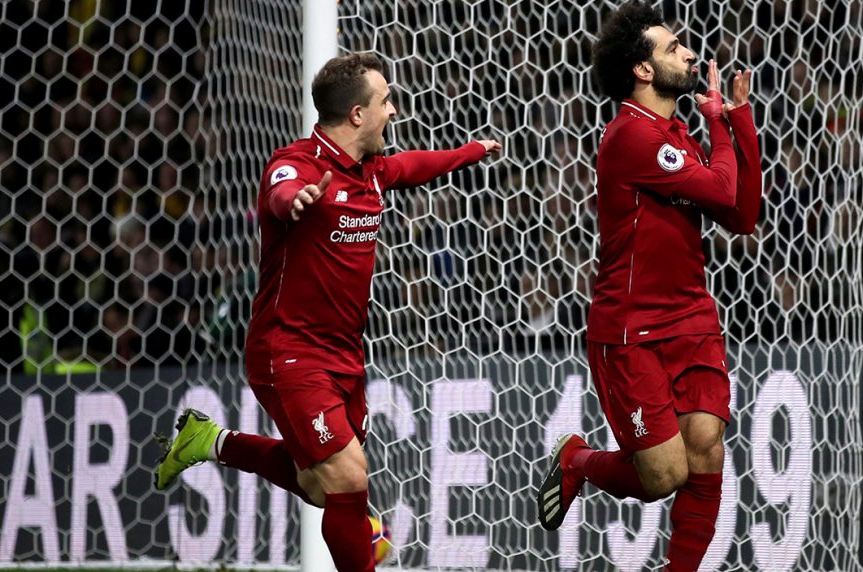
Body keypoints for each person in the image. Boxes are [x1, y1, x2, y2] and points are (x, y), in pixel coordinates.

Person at [152, 53, 501, 571]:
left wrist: (472, 151)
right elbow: (280, 187)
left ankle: (212, 442)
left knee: (320, 486)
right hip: (288, 350)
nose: (393, 111)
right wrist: (293, 200)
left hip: (344, 355)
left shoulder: (372, 172)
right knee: (349, 477)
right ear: (358, 114)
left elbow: (416, 165)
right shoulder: (298, 163)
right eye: (386, 101)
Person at [535, 2, 761, 570]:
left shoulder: (676, 134)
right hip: (631, 330)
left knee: (706, 449)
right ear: (643, 69)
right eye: (673, 48)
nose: (690, 54)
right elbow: (720, 190)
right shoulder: (631, 136)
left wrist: (740, 119)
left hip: (693, 318)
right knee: (663, 477)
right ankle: (579, 460)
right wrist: (720, 124)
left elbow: (742, 215)